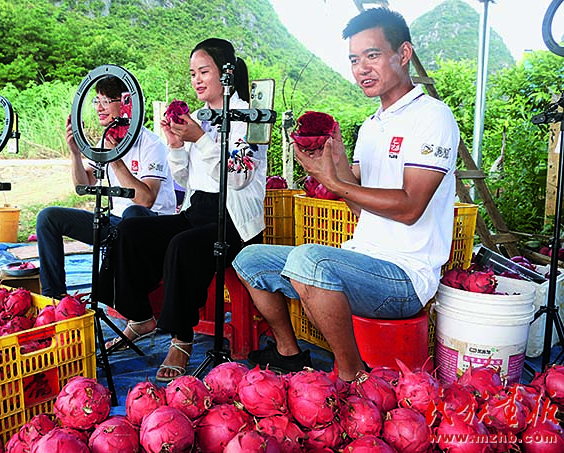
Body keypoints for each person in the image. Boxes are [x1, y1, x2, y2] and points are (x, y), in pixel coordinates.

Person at [233, 7, 459, 381]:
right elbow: (357, 204)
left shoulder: (432, 117)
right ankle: (289, 352)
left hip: (404, 277)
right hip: (362, 261)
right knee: (251, 259)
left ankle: (353, 376)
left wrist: (337, 182)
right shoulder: (371, 126)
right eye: (355, 59)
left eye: (372, 55)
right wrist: (330, 168)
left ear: (403, 54)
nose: (361, 69)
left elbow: (410, 207)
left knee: (310, 262)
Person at [105, 38, 266, 382]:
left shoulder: (249, 119)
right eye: (192, 73)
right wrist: (177, 147)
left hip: (233, 220)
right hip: (197, 210)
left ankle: (181, 339)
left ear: (227, 74)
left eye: (203, 71)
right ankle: (140, 315)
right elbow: (183, 178)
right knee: (130, 230)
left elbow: (237, 178)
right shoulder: (200, 119)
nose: (196, 79)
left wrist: (200, 140)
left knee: (183, 245)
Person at [36, 76, 177, 298]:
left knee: (133, 212)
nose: (99, 108)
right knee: (48, 217)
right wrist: (75, 153)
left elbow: (145, 200)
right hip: (115, 223)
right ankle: (55, 298)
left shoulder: (151, 144)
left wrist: (115, 159)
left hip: (150, 224)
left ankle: (111, 289)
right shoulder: (107, 140)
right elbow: (83, 185)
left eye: (106, 101)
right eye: (97, 101)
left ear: (126, 103)